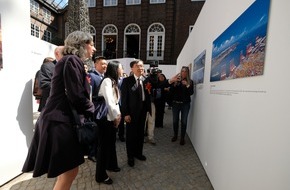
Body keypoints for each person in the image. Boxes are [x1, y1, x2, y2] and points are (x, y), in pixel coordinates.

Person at [22, 30, 96, 190]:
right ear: (82, 44)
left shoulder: (70, 60)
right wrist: (93, 109)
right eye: (91, 44)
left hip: (59, 120)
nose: (94, 48)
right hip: (60, 121)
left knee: (68, 171)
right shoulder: (71, 60)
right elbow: (76, 95)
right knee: (69, 172)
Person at [95, 60, 122, 185]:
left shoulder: (113, 82)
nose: (122, 70)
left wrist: (117, 116)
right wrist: (116, 117)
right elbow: (109, 101)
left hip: (111, 119)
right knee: (104, 148)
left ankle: (110, 165)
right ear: (116, 69)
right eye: (121, 68)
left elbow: (115, 102)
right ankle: (100, 175)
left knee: (110, 145)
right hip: (105, 119)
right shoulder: (107, 81)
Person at [121, 59, 151, 167]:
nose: (140, 68)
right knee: (131, 135)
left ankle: (138, 153)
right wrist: (126, 114)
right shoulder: (127, 81)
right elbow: (124, 100)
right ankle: (130, 156)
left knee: (140, 133)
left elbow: (149, 93)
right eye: (138, 66)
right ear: (132, 68)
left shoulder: (146, 80)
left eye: (142, 66)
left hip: (143, 111)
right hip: (132, 113)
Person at [87, 56, 108, 162]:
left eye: (106, 64)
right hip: (95, 108)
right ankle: (92, 153)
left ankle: (97, 150)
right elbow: (89, 94)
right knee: (94, 131)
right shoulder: (91, 76)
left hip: (103, 109)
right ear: (96, 64)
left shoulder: (105, 77)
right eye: (102, 64)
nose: (105, 66)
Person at [168, 66, 194, 145]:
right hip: (175, 104)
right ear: (180, 72)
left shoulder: (190, 81)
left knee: (184, 121)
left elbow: (191, 93)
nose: (184, 73)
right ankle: (175, 135)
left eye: (185, 71)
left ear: (187, 73)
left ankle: (182, 138)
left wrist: (187, 85)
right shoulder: (177, 80)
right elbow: (171, 91)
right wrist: (174, 84)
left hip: (185, 105)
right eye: (182, 71)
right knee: (175, 121)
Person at [38, 46, 64, 112]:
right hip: (52, 108)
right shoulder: (47, 66)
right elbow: (44, 84)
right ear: (57, 53)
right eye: (65, 53)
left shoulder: (70, 66)